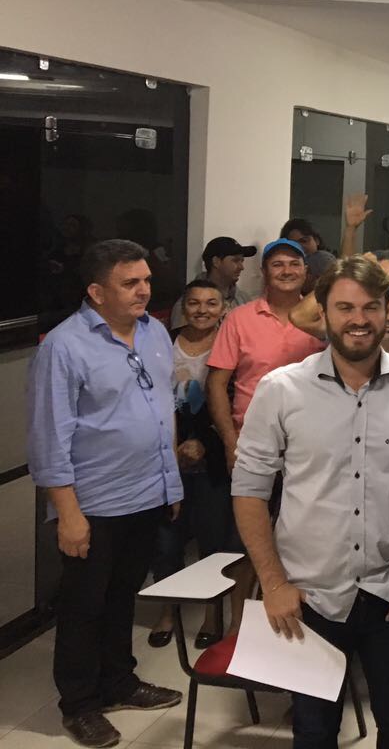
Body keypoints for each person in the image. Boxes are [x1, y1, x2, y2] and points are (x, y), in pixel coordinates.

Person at [232, 258, 389, 749]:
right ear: (323, 313)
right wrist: (273, 581)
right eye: (345, 307)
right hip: (309, 597)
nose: (359, 319)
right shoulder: (282, 390)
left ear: (388, 311)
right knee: (313, 731)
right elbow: (249, 490)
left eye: (371, 307)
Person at [27, 239, 184, 748]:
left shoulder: (154, 332)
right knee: (84, 606)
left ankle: (119, 681)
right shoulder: (64, 346)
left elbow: (163, 411)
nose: (144, 290)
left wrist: (171, 483)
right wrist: (67, 514)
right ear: (96, 292)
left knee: (122, 597)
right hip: (93, 503)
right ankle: (79, 704)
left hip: (147, 493)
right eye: (130, 283)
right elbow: (50, 438)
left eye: (146, 280)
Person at [207, 238, 326, 632]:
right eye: (278, 264)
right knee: (244, 542)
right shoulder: (240, 319)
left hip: (310, 447)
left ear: (306, 273)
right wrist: (230, 442)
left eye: (295, 264)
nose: (287, 271)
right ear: (264, 273)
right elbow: (217, 383)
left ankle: (300, 625)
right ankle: (239, 629)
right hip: (253, 445)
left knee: (302, 539)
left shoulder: (322, 319)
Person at [149, 280, 231, 650]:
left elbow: (235, 399)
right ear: (183, 307)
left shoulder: (231, 343)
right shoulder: (161, 342)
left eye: (211, 303)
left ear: (223, 308)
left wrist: (205, 443)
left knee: (214, 541)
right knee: (166, 541)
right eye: (194, 303)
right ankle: (168, 611)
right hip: (166, 458)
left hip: (213, 459)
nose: (202, 310)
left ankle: (213, 614)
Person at [169, 236, 255, 327]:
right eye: (235, 260)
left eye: (242, 261)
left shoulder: (244, 299)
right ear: (216, 262)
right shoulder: (189, 304)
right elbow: (182, 335)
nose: (241, 267)